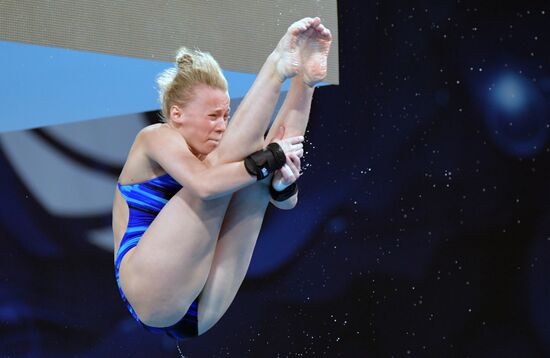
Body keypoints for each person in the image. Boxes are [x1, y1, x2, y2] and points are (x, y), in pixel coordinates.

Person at [112, 17, 332, 340]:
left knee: (254, 174)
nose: (221, 124)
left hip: (199, 313)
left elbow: (287, 202)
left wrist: (283, 184)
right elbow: (204, 185)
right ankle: (276, 65)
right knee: (240, 166)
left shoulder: (222, 152)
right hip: (148, 290)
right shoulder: (155, 138)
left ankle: (305, 83)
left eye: (226, 115)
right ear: (177, 114)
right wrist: (269, 158)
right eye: (213, 116)